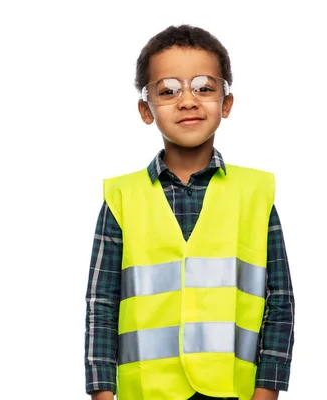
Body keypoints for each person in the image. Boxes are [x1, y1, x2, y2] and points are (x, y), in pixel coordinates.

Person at [84, 24, 295, 400]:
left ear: (226, 103)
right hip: (146, 391)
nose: (187, 101)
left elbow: (280, 302)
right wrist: (101, 391)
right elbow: (101, 303)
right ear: (145, 109)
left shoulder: (256, 194)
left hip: (234, 390)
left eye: (203, 87)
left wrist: (267, 390)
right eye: (168, 90)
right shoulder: (121, 197)